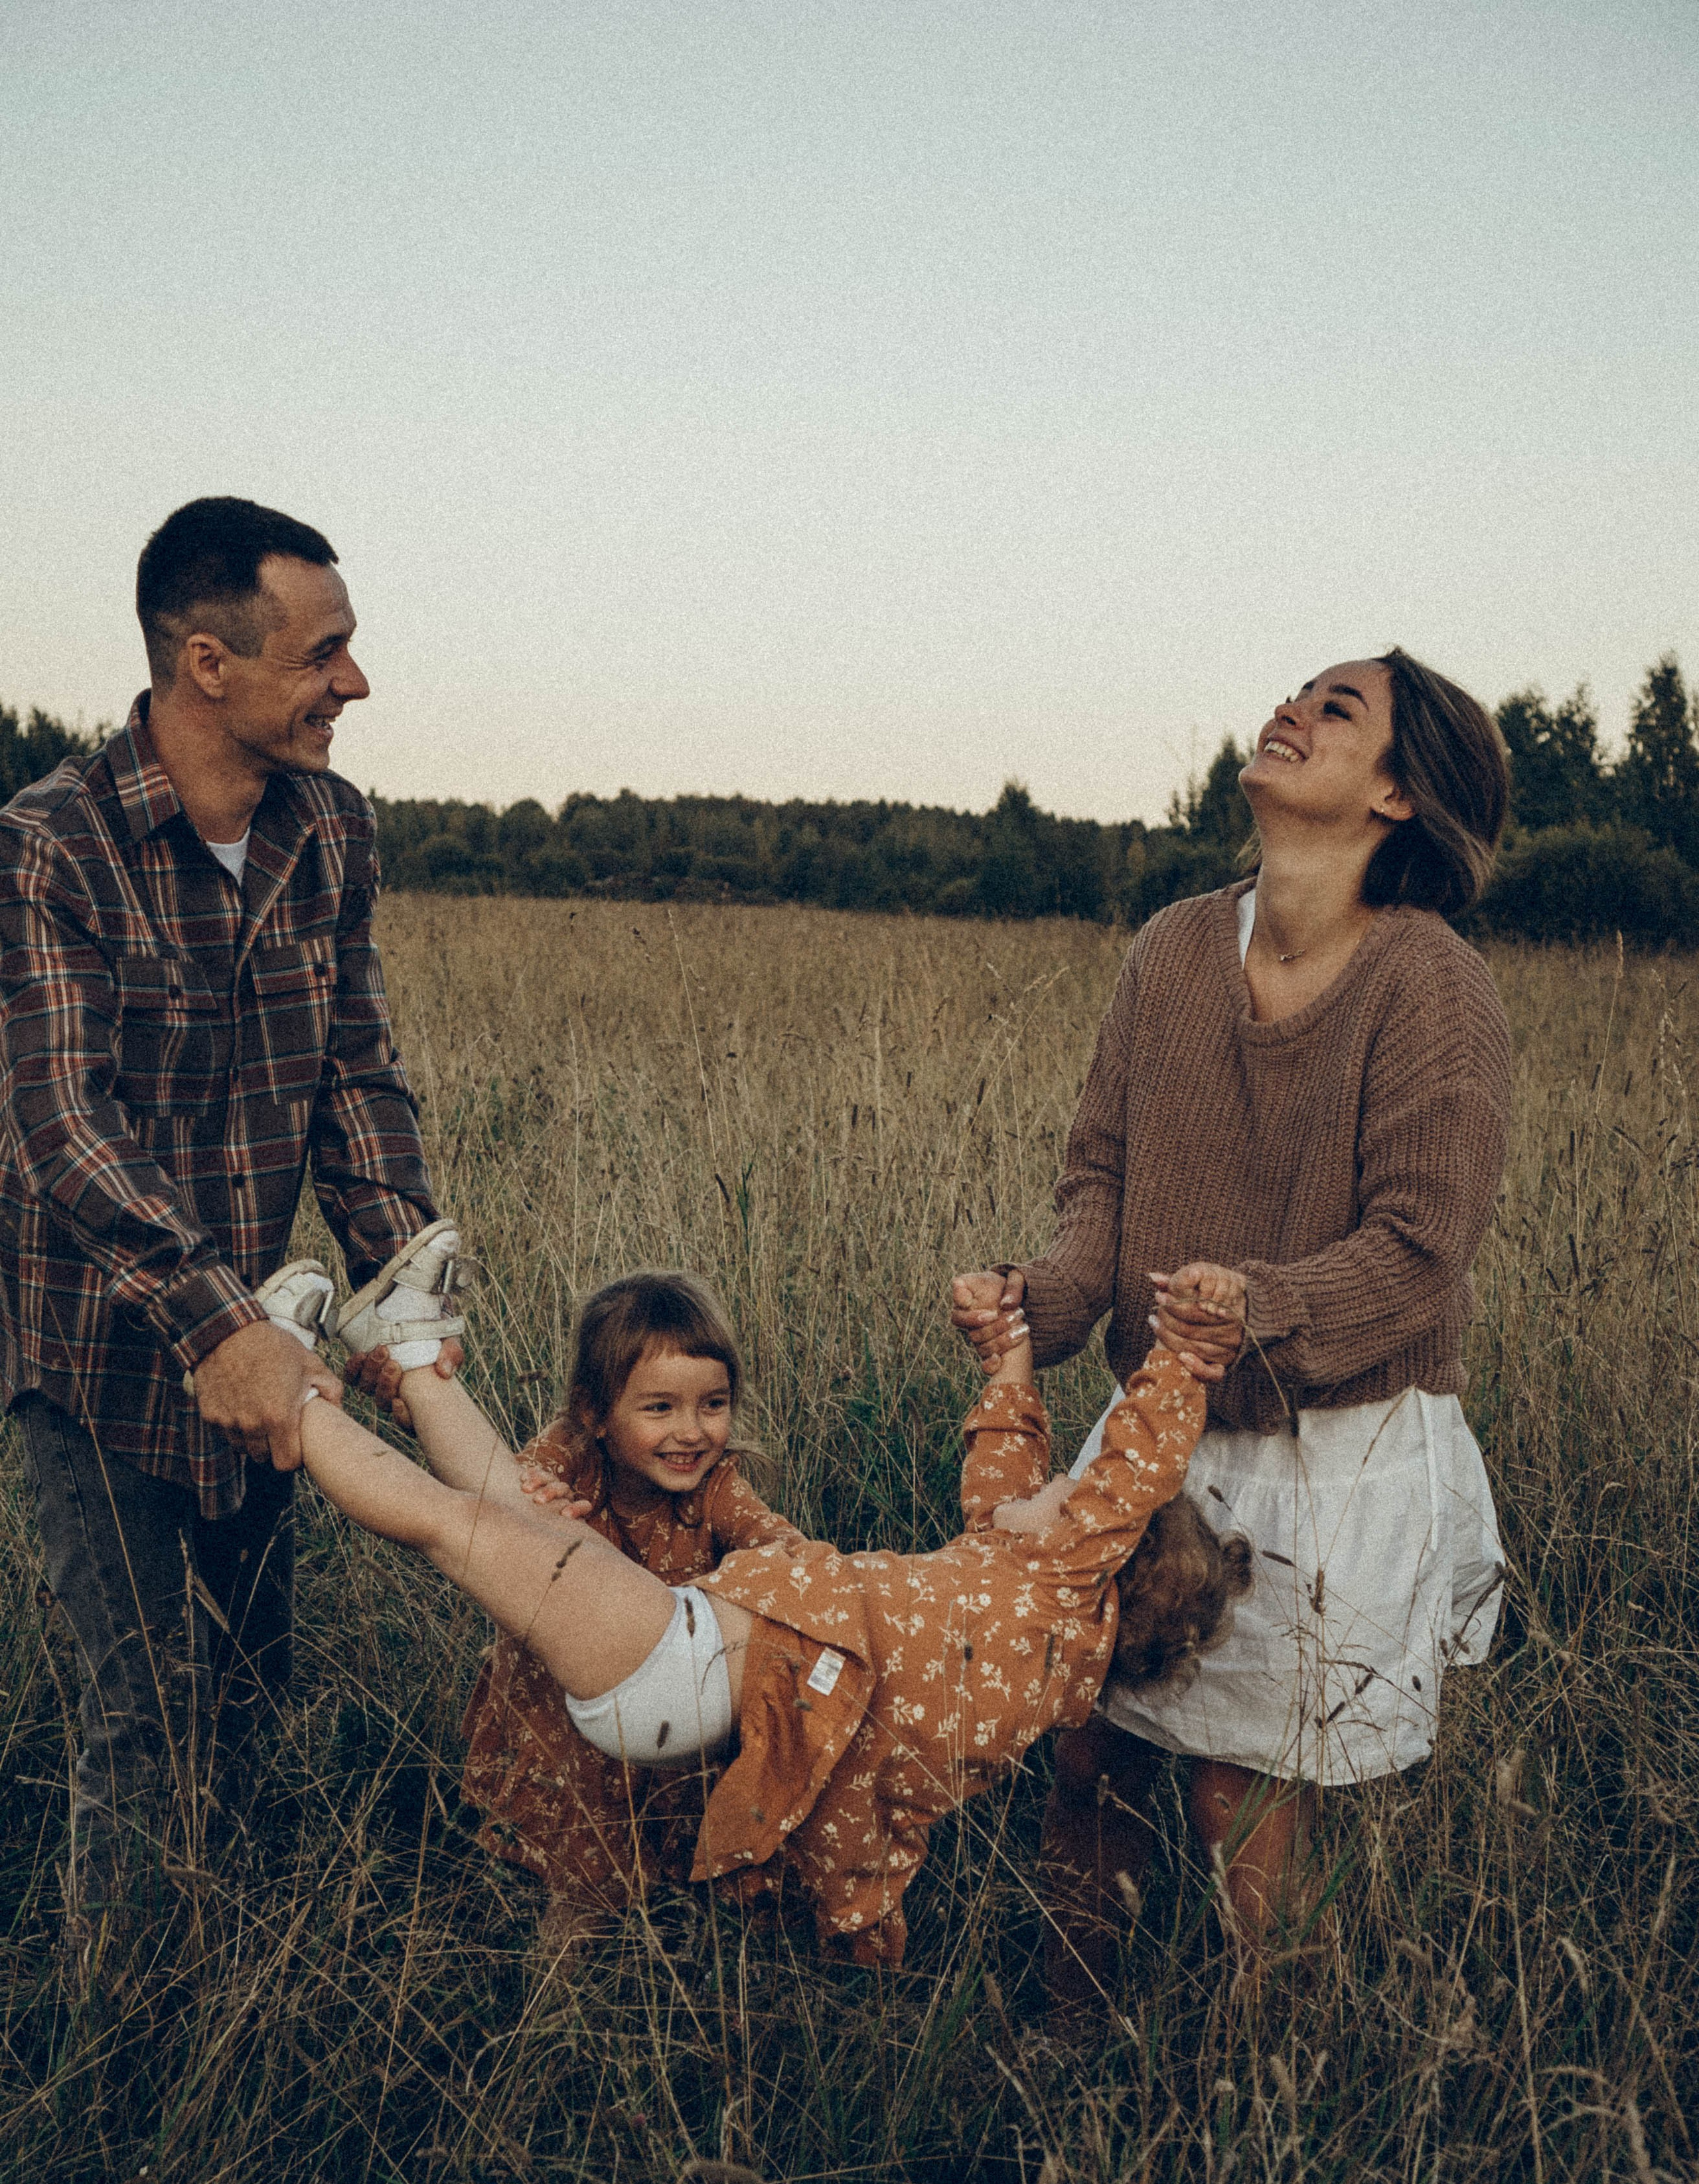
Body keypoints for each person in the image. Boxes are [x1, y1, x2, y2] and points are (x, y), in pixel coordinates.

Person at [952, 650, 1514, 2022]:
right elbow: (1103, 1179)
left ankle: (1269, 2106)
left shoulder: (1426, 984)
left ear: (1395, 791)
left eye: (1337, 711)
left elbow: (1419, 1249)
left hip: (1331, 1455)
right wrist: (1046, 1296)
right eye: (1294, 694)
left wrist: (1265, 1307)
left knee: (1236, 1793)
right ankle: (1065, 2058)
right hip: (1154, 1439)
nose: (1290, 713)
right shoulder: (1173, 949)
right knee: (1078, 1747)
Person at [272, 1235, 1249, 1970]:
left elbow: (1134, 1461)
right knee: (510, 1522)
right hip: (687, 1665)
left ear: (1105, 1551)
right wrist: (1010, 1360)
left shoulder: (1064, 1581)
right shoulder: (1014, 1599)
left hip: (686, 1663)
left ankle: (291, 1393)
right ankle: (402, 1349)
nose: (1057, 1485)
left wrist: (1185, 1359)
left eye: (1073, 1499)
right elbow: (1003, 1471)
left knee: (455, 1527)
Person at [0, 496, 454, 1938]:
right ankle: (110, 2089)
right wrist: (219, 1325)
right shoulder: (48, 848)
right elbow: (61, 1125)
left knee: (251, 1696)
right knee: (147, 1729)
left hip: (276, 1356)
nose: (355, 686)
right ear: (208, 663)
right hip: (102, 1359)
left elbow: (352, 1071)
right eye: (326, 654)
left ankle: (234, 2012)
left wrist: (399, 1279)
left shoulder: (331, 831)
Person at [459, 1271, 805, 1963]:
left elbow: (782, 1547)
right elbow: (512, 1490)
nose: (690, 1432)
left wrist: (759, 1577)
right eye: (658, 1409)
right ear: (594, 1413)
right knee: (585, 1880)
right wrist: (543, 1504)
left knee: (689, 1865)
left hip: (672, 1724)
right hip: (572, 1715)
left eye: (713, 1404)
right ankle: (554, 2010)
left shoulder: (717, 1487)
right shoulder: (567, 1458)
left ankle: (693, 1966)